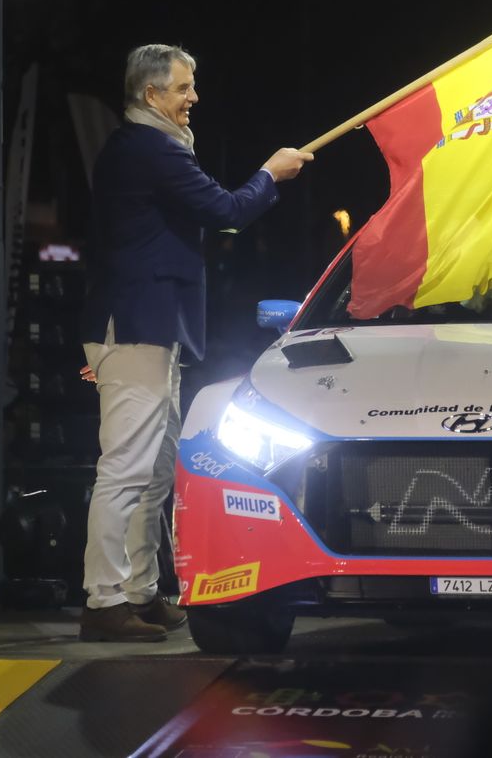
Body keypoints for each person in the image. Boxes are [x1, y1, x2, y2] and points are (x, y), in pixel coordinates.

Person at [77, 44, 311, 642]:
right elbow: (224, 210)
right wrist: (271, 173)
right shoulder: (151, 148)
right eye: (184, 88)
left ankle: (140, 591)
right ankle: (104, 601)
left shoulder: (146, 146)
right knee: (127, 467)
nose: (194, 98)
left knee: (155, 470)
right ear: (151, 95)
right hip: (135, 324)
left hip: (150, 325)